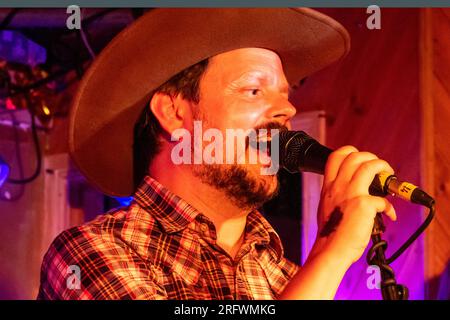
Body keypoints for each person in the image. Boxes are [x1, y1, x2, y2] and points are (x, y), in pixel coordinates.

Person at [37, 8, 396, 300]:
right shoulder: (90, 254)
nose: (286, 109)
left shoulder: (286, 279)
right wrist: (330, 253)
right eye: (254, 90)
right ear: (175, 113)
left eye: (286, 94)